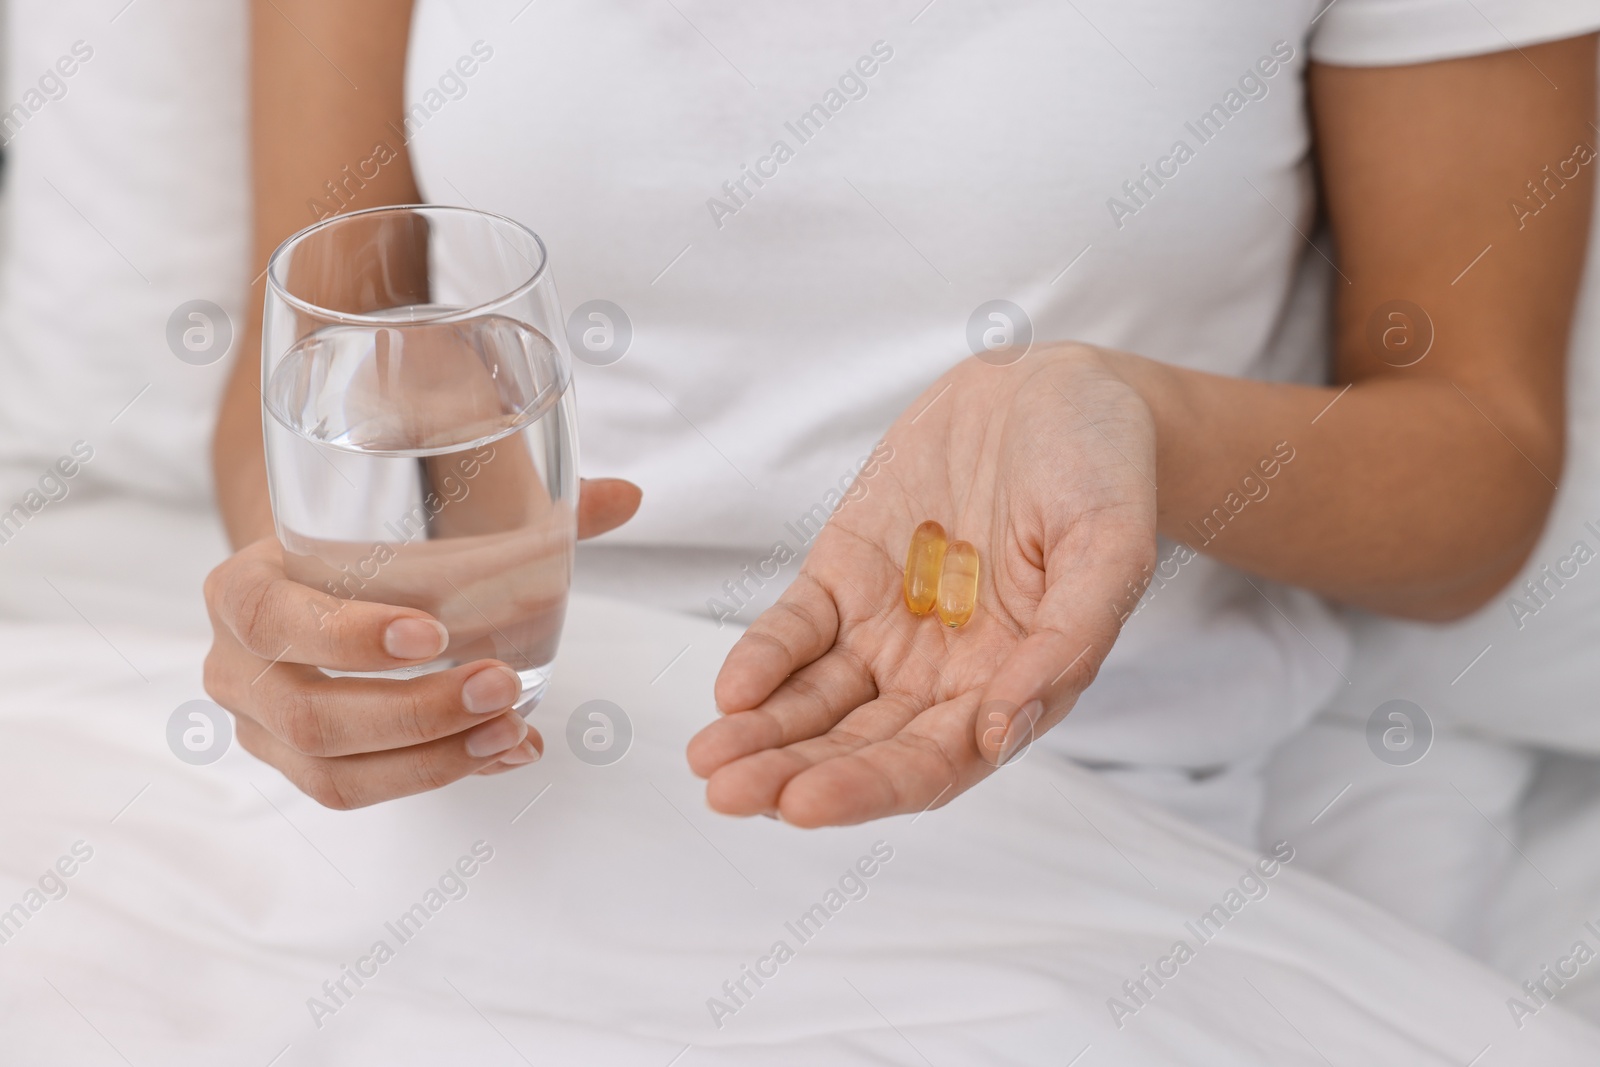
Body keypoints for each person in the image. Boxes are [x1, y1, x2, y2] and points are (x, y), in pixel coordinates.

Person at [203, 0, 1599, 845]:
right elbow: (324, 339)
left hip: (1047, 786)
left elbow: (1479, 461)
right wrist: (351, 637)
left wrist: (1139, 424)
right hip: (496, 763)